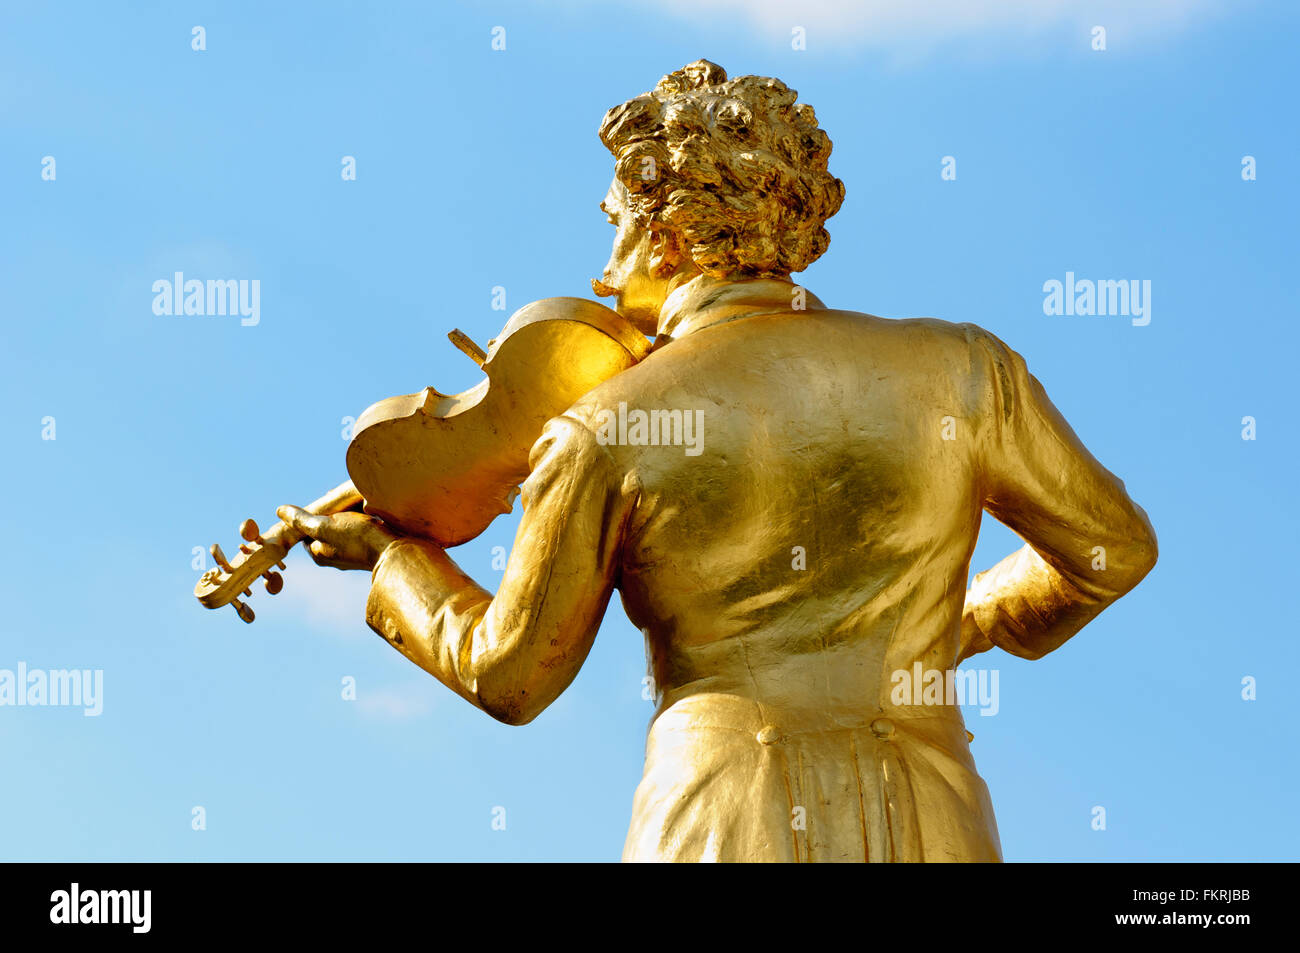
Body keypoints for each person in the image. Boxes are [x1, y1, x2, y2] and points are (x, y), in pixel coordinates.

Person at [279, 60, 1157, 862]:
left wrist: (398, 562)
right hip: (934, 815)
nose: (604, 273)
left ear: (668, 237)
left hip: (719, 816)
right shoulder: (966, 368)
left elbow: (509, 676)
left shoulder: (604, 426)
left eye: (618, 230)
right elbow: (1114, 551)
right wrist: (954, 629)